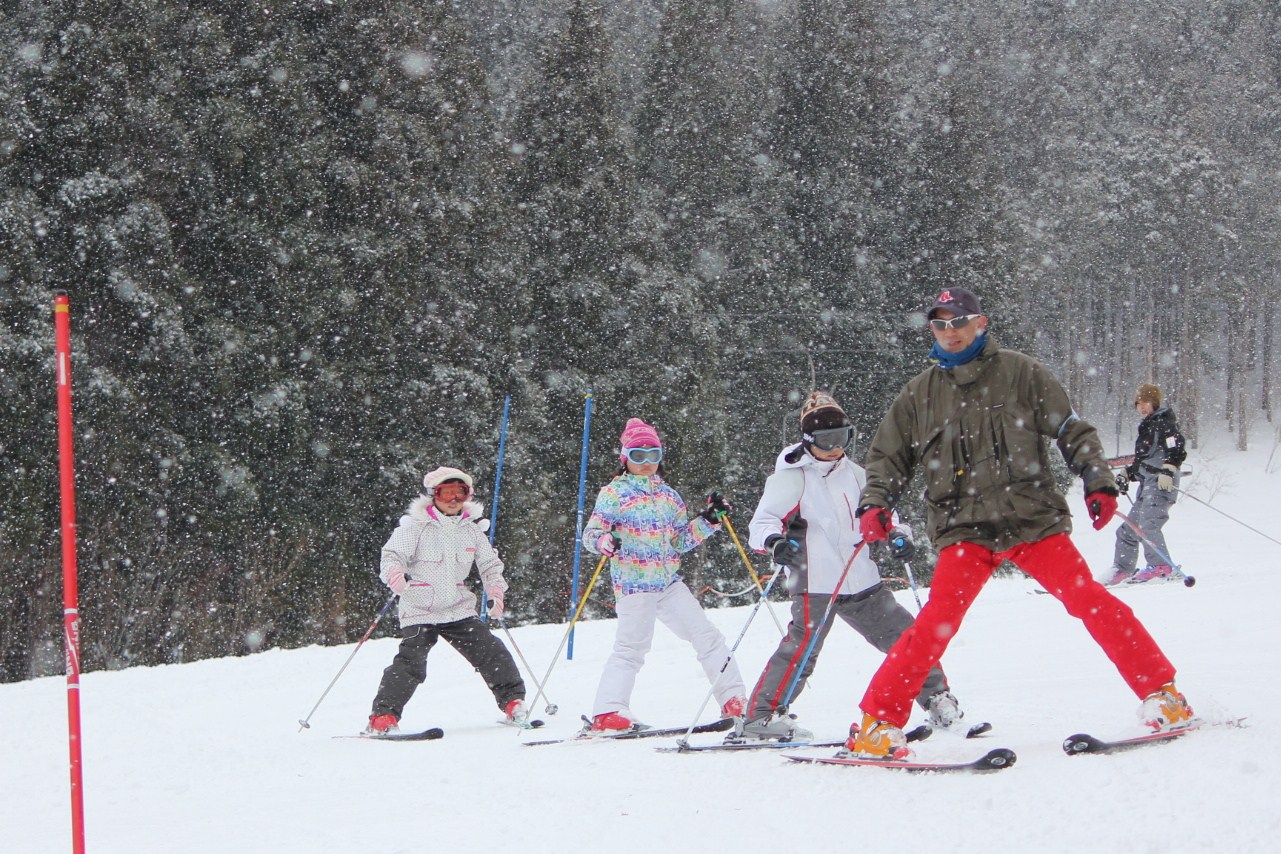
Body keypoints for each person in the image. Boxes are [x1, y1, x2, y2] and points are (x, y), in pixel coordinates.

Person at [844, 287, 1192, 759]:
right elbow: (888, 457)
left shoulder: (1020, 373)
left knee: (1090, 601)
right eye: (939, 324)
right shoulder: (919, 394)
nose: (949, 332)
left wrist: (1097, 479)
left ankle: (1164, 695)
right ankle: (876, 724)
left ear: (980, 323)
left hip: (1031, 521)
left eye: (958, 321)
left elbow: (1071, 429)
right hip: (964, 528)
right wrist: (875, 502)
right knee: (934, 624)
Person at [741, 391, 969, 742]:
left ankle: (938, 699)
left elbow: (887, 515)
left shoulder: (859, 475)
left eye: (842, 437)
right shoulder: (792, 478)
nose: (835, 447)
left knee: (907, 638)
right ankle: (762, 717)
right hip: (815, 579)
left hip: (861, 579)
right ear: (808, 440)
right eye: (826, 439)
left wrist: (898, 535)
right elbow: (762, 523)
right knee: (802, 650)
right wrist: (775, 542)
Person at [581, 417, 747, 732]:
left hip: (668, 583)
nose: (646, 462)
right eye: (638, 455)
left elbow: (679, 541)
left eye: (653, 455)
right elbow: (591, 533)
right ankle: (608, 711)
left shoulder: (669, 496)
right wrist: (603, 541)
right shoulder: (614, 493)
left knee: (707, 636)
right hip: (634, 584)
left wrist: (709, 520)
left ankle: (734, 699)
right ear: (625, 458)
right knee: (632, 648)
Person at [365, 466, 528, 735]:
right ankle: (382, 717)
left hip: (457, 608)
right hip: (420, 608)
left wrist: (496, 592)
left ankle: (513, 702)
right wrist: (395, 574)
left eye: (460, 492)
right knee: (411, 662)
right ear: (433, 495)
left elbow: (490, 565)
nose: (453, 499)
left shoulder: (471, 530)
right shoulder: (416, 527)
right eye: (446, 492)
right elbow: (392, 556)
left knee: (491, 651)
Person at [1106, 383, 1187, 585]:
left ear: (1154, 403)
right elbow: (1143, 461)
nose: (1142, 407)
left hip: (1161, 484)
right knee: (1128, 530)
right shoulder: (1148, 426)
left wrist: (1169, 469)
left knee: (1147, 526)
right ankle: (1123, 570)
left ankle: (1161, 567)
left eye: (1146, 403)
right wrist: (1127, 474)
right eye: (1139, 403)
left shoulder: (1164, 422)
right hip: (1148, 485)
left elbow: (1176, 447)